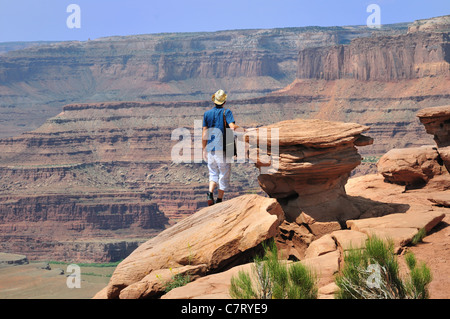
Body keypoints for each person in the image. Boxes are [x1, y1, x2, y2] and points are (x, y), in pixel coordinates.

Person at [202, 89, 244, 206]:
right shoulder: (227, 112)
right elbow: (232, 127)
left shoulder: (207, 114)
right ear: (224, 101)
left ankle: (210, 193)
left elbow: (204, 134)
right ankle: (219, 200)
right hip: (224, 148)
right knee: (224, 174)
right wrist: (243, 129)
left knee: (213, 173)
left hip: (211, 148)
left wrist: (204, 148)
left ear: (214, 101)